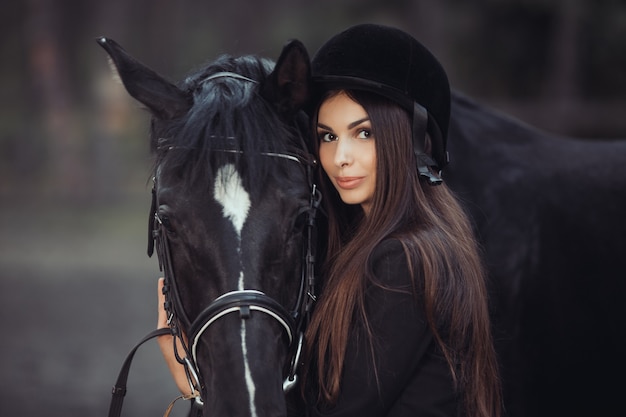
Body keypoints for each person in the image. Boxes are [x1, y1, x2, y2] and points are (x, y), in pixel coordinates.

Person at [156, 23, 502, 417]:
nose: (341, 158)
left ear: (408, 141)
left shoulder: (404, 260)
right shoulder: (369, 247)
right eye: (328, 136)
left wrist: (191, 381)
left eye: (364, 133)